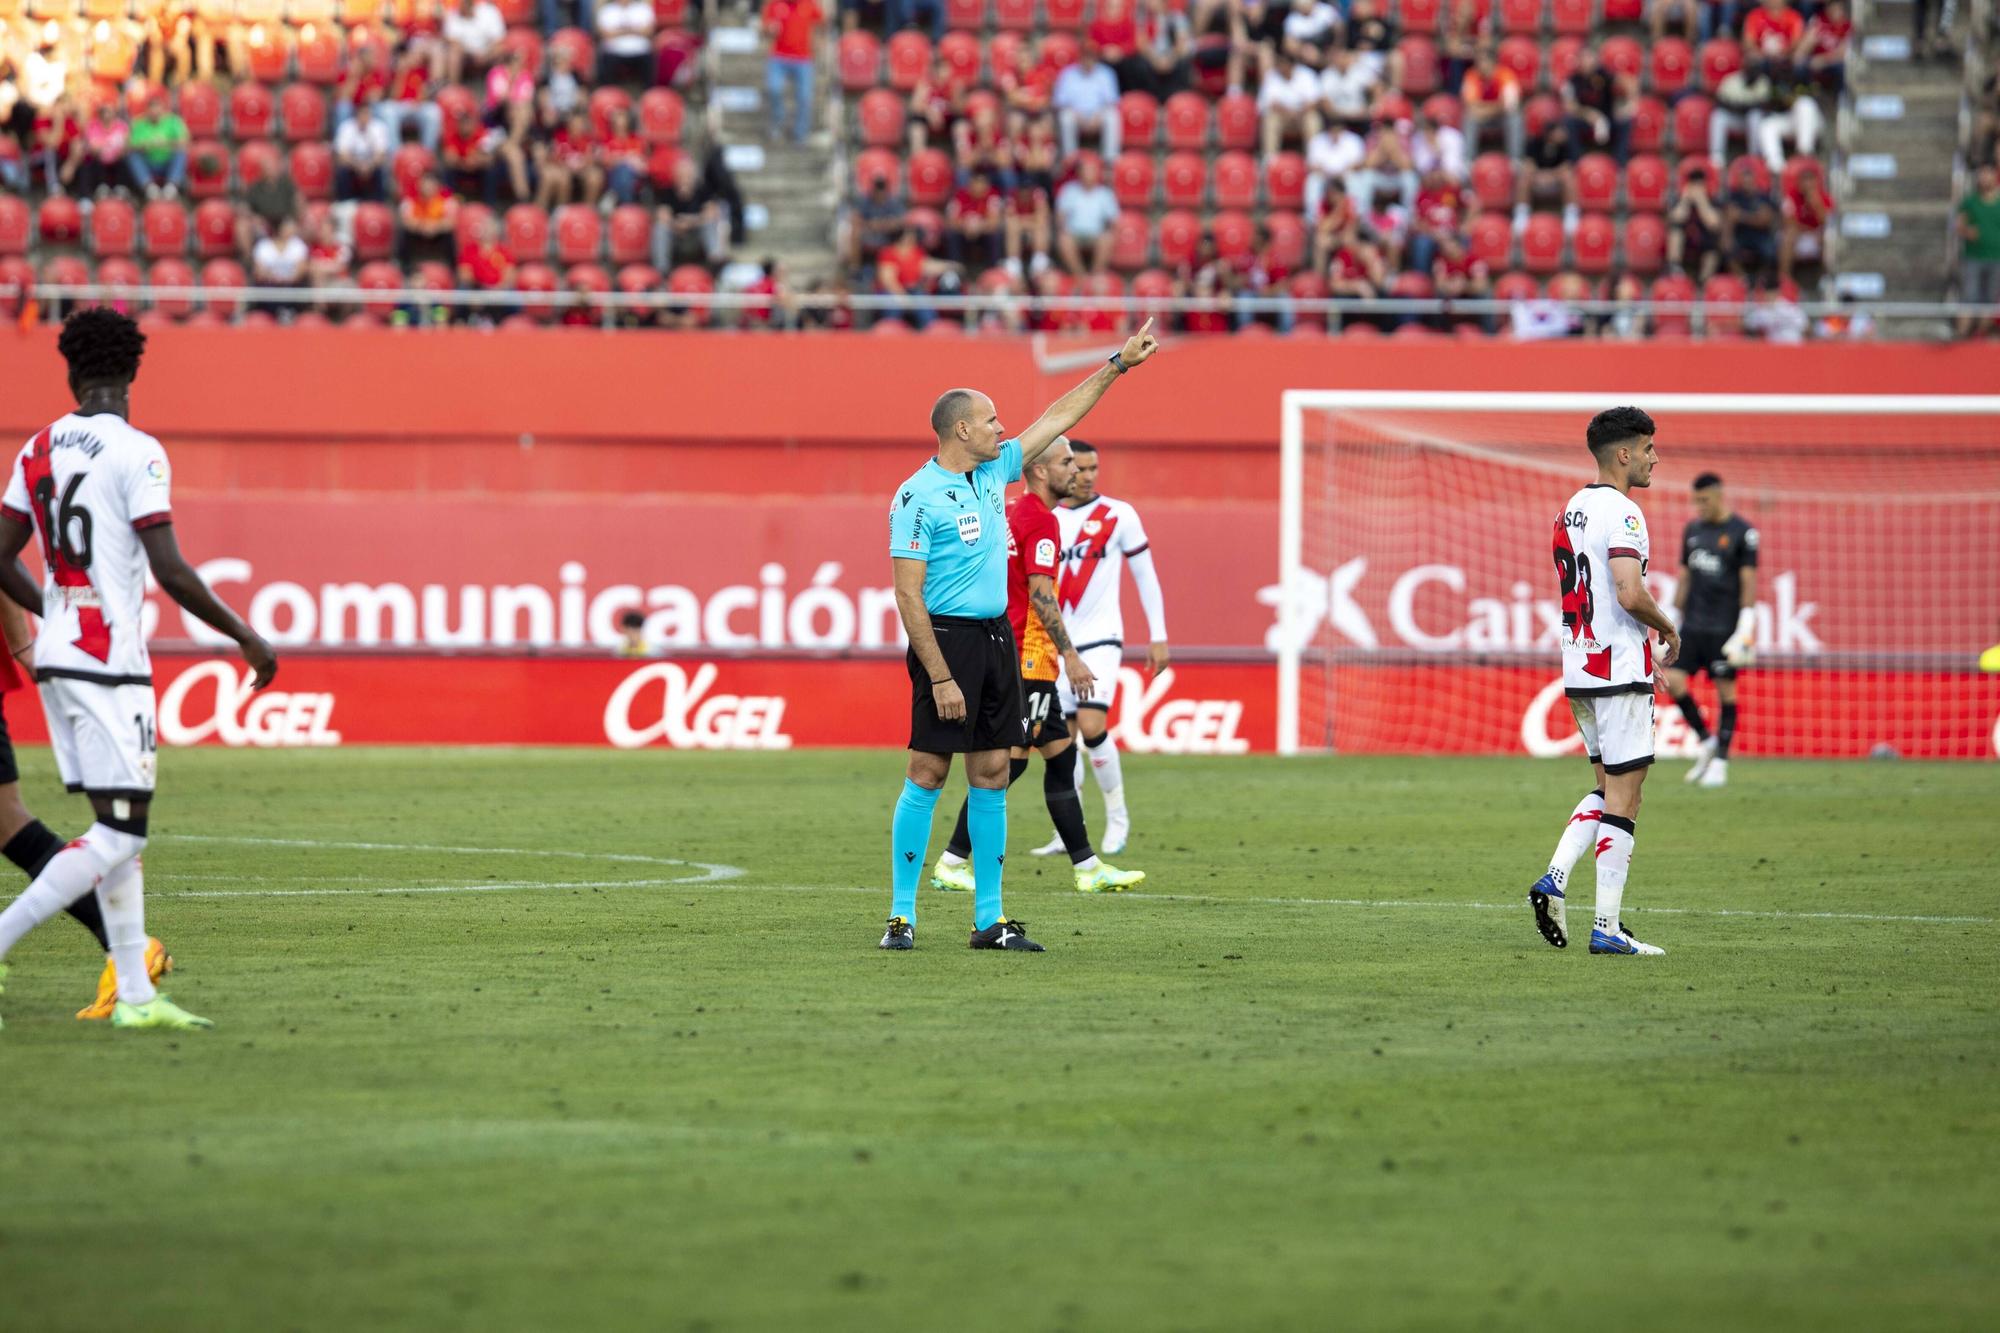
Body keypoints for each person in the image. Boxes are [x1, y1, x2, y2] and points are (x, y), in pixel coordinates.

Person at [0, 309, 277, 1030]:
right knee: (123, 834)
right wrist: (245, 636)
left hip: (61, 656)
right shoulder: (138, 452)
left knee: (110, 826)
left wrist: (53, 609)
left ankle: (137, 997)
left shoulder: (37, 447)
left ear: (71, 371)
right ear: (131, 374)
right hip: (108, 663)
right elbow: (171, 569)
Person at [880, 320, 1162, 952]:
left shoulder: (994, 473)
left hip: (999, 641)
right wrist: (942, 675)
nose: (1003, 428)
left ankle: (990, 921)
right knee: (927, 772)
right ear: (961, 430)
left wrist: (1117, 364)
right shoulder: (916, 496)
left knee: (990, 772)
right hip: (946, 643)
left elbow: (1057, 414)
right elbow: (907, 594)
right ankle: (901, 917)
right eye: (991, 420)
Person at [931, 437, 1146, 896]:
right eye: (1067, 462)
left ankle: (1087, 867)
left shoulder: (1008, 512)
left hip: (1011, 648)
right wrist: (1071, 656)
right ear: (1043, 472)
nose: (1078, 470)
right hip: (1027, 655)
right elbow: (1042, 594)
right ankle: (952, 860)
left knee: (1060, 755)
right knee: (1012, 761)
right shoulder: (1041, 521)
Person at [1527, 406, 1678, 958]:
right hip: (1617, 674)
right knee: (1628, 798)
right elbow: (1628, 591)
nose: (1654, 458)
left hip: (1580, 667)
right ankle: (1607, 927)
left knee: (1606, 787)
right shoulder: (1625, 513)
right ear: (1624, 453)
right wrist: (1667, 629)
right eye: (1648, 448)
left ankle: (1555, 879)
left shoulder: (1573, 507)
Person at [1027, 439, 1169, 859]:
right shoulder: (1045, 516)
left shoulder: (1119, 515)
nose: (1085, 476)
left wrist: (1158, 633)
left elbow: (1146, 575)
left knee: (1091, 725)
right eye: (1078, 467)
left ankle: (1118, 817)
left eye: (1092, 469)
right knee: (1059, 741)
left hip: (1102, 638)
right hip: (1055, 643)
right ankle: (1068, 831)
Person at [1666, 473, 1758, 787]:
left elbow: (1748, 582)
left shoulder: (1743, 533)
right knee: (1673, 680)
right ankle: (1706, 742)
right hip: (1692, 624)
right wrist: (1669, 621)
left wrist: (1745, 626)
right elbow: (1684, 578)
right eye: (1696, 500)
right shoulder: (1692, 531)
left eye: (1704, 500)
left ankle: (1720, 761)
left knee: (1725, 692)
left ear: (1719, 496)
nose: (1699, 506)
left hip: (1724, 628)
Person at [761, 0, 821, 143]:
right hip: (779, 57)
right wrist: (768, 29)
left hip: (803, 58)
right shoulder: (775, 5)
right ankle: (778, 121)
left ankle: (800, 132)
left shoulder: (809, 4)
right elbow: (763, 29)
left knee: (805, 97)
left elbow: (821, 23)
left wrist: (818, 43)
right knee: (773, 89)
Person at [1052, 45, 1122, 161]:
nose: (1088, 60)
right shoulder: (1068, 74)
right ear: (1080, 58)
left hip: (1098, 115)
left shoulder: (1106, 73)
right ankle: (1070, 157)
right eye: (1085, 57)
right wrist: (1077, 115)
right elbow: (1059, 102)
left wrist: (1097, 116)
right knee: (1065, 117)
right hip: (1075, 115)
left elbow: (1112, 101)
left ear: (1096, 58)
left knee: (1112, 116)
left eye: (1091, 57)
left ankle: (1110, 159)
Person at [1054, 154, 1120, 275]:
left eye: (1091, 171)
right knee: (1063, 239)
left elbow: (1114, 220)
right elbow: (1060, 216)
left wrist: (1111, 230)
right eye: (1085, 170)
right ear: (1079, 173)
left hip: (1096, 234)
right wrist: (1063, 228)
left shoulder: (1105, 193)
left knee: (1108, 238)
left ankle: (1096, 274)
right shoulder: (1069, 190)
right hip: (1073, 234)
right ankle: (1080, 276)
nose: (1088, 174)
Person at [1955, 164, 2000, 338]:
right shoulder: (1970, 202)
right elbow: (1958, 225)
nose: (1984, 178)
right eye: (1981, 175)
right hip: (1973, 257)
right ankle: (1962, 334)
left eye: (1988, 175)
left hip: (1996, 257)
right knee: (1969, 296)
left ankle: (1981, 334)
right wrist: (1968, 231)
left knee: (1990, 299)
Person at [128, 92, 189, 199]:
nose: (154, 112)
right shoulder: (139, 123)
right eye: (151, 108)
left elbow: (184, 142)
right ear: (147, 110)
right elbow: (130, 146)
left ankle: (171, 186)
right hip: (149, 163)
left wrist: (166, 142)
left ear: (163, 109)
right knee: (133, 156)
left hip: (167, 163)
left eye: (157, 108)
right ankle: (149, 188)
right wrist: (146, 145)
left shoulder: (174, 121)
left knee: (181, 153)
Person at [334, 94, 393, 202]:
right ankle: (345, 203)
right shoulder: (346, 127)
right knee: (342, 170)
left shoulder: (379, 127)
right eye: (363, 114)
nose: (365, 117)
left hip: (372, 165)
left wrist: (369, 166)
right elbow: (342, 155)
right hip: (353, 165)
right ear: (356, 115)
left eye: (368, 114)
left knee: (381, 169)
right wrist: (358, 166)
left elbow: (381, 154)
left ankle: (378, 203)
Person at [596, 0, 657, 89]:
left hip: (640, 50)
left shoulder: (643, 8)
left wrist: (619, 31)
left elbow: (648, 31)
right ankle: (607, 92)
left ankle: (649, 92)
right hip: (614, 51)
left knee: (651, 58)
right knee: (605, 59)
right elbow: (605, 33)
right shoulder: (607, 10)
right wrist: (634, 30)